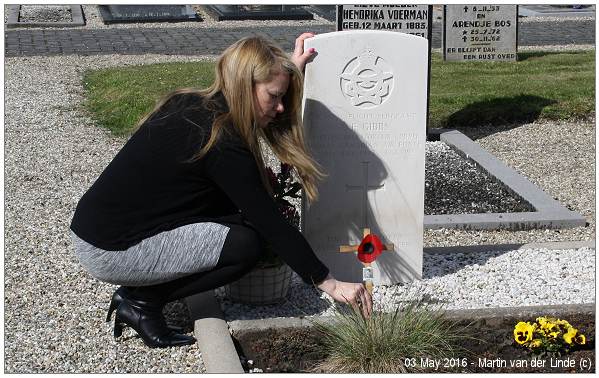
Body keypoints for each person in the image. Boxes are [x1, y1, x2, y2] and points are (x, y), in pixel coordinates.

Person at [70, 33, 373, 349]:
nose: (281, 107)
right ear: (244, 87)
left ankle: (142, 296)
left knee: (234, 219)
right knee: (244, 246)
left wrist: (290, 70)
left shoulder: (196, 105)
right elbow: (270, 223)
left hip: (96, 229)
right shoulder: (221, 142)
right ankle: (142, 302)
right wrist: (330, 282)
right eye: (274, 96)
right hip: (110, 249)